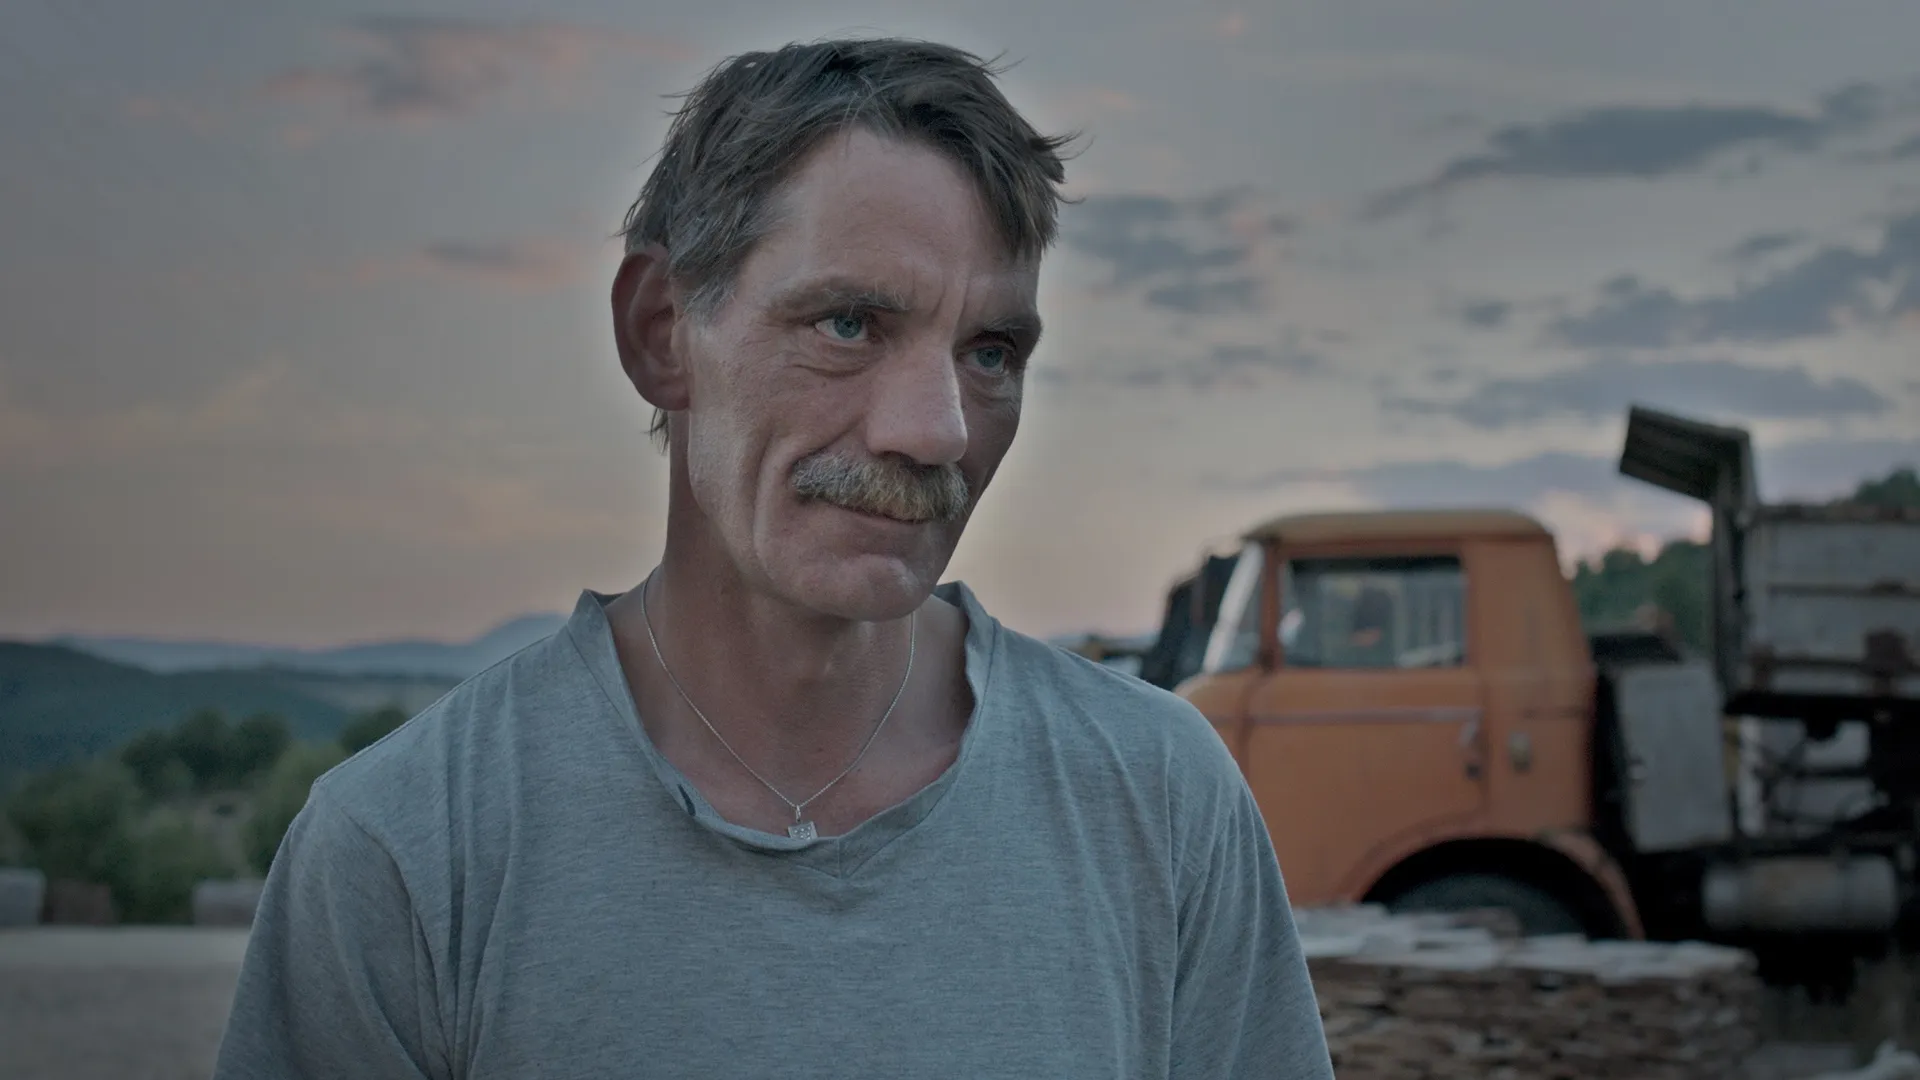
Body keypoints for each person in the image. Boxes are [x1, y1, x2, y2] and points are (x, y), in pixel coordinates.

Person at [212, 37, 1333, 1079]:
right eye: (848, 324)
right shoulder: (407, 848)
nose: (938, 429)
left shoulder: (1160, 802)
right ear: (661, 332)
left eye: (989, 352)